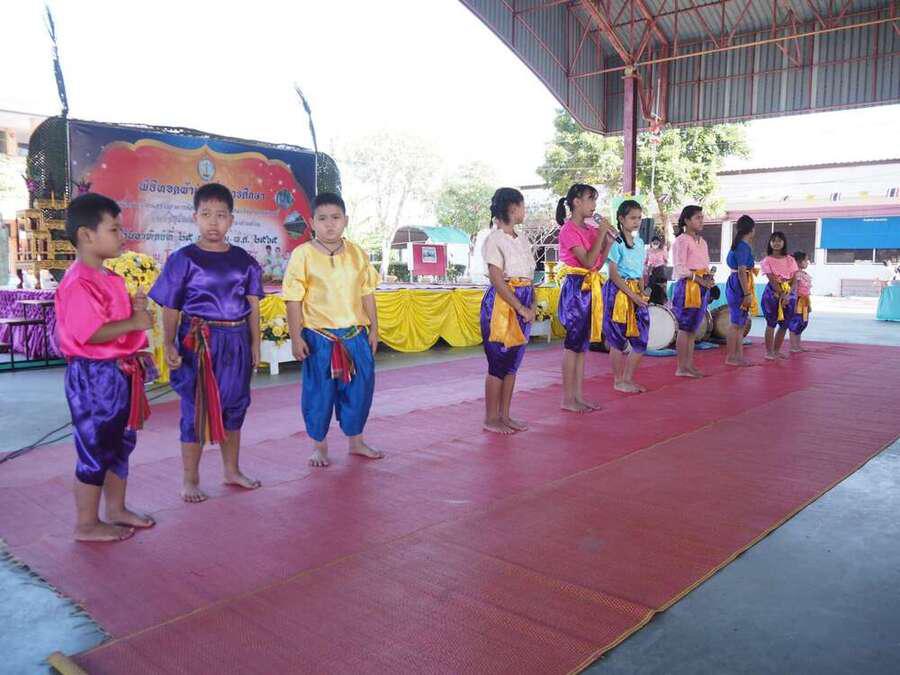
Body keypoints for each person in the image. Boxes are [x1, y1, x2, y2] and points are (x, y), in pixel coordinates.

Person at [150, 183, 264, 502]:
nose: (213, 222)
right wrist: (169, 343)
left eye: (221, 215)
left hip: (237, 341)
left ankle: (232, 470)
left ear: (232, 220)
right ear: (195, 217)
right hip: (198, 343)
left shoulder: (244, 260)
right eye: (206, 214)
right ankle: (190, 479)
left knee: (236, 404)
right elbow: (170, 306)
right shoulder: (183, 259)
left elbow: (253, 305)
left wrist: (255, 345)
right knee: (194, 408)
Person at [55, 193, 155, 542]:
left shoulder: (108, 276)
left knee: (119, 441)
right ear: (86, 235)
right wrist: (134, 323)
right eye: (114, 229)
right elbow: (90, 333)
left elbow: (115, 323)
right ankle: (86, 524)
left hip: (118, 372)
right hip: (94, 376)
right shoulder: (78, 281)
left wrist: (134, 312)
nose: (122, 236)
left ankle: (116, 509)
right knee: (95, 446)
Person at [283, 192, 384, 467]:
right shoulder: (303, 255)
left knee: (360, 390)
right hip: (319, 339)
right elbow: (293, 299)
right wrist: (295, 337)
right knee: (319, 393)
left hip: (354, 336)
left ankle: (356, 441)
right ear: (311, 222)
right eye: (323, 218)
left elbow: (367, 292)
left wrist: (374, 329)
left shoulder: (357, 253)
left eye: (336, 218)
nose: (330, 224)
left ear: (346, 220)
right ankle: (319, 446)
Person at [555, 183, 617, 412]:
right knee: (573, 345)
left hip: (591, 287)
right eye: (590, 199)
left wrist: (608, 243)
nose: (594, 205)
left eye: (595, 200)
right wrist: (601, 234)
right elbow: (588, 261)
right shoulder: (568, 230)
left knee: (582, 346)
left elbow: (597, 265)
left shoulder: (591, 230)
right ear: (576, 202)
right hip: (576, 289)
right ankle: (567, 398)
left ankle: (578, 397)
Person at [480, 188, 535, 434]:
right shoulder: (494, 239)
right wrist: (519, 306)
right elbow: (496, 279)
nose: (524, 211)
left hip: (523, 298)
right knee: (498, 361)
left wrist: (531, 304)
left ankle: (505, 414)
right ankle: (491, 418)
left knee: (513, 361)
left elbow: (529, 277)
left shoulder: (522, 239)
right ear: (513, 208)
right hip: (502, 304)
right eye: (522, 206)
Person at [603, 200, 649, 393]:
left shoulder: (640, 243)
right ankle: (618, 380)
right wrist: (632, 295)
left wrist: (642, 292)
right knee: (617, 339)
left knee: (641, 338)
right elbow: (614, 275)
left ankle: (628, 379)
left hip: (636, 291)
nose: (636, 221)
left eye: (639, 218)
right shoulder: (616, 243)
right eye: (632, 218)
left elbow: (640, 272)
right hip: (618, 292)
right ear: (621, 219)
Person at [670, 205, 715, 378]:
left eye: (702, 217)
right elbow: (680, 268)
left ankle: (688, 365)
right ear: (687, 221)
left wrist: (708, 279)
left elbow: (704, 265)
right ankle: (681, 367)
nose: (701, 220)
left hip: (701, 286)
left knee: (693, 328)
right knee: (684, 327)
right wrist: (700, 280)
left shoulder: (702, 242)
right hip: (688, 287)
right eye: (697, 217)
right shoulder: (681, 240)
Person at [759, 231, 799, 360]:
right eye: (774, 240)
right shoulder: (766, 260)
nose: (776, 243)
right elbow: (772, 279)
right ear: (770, 243)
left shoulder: (790, 259)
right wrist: (781, 294)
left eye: (779, 240)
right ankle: (769, 352)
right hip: (773, 294)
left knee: (785, 324)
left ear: (784, 242)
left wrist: (790, 294)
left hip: (789, 295)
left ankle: (776, 351)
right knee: (771, 323)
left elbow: (795, 279)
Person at [724, 215, 758, 367]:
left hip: (736, 283)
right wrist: (747, 293)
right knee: (736, 323)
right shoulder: (742, 246)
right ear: (751, 230)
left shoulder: (739, 245)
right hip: (739, 285)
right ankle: (732, 357)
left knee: (740, 323)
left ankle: (738, 356)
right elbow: (742, 271)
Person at [788, 250, 812, 352]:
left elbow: (806, 291)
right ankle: (793, 346)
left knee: (802, 322)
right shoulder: (796, 274)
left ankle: (798, 345)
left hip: (805, 301)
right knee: (795, 323)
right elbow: (794, 289)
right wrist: (793, 303)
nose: (807, 262)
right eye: (805, 260)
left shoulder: (804, 274)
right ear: (798, 262)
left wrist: (809, 304)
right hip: (797, 301)